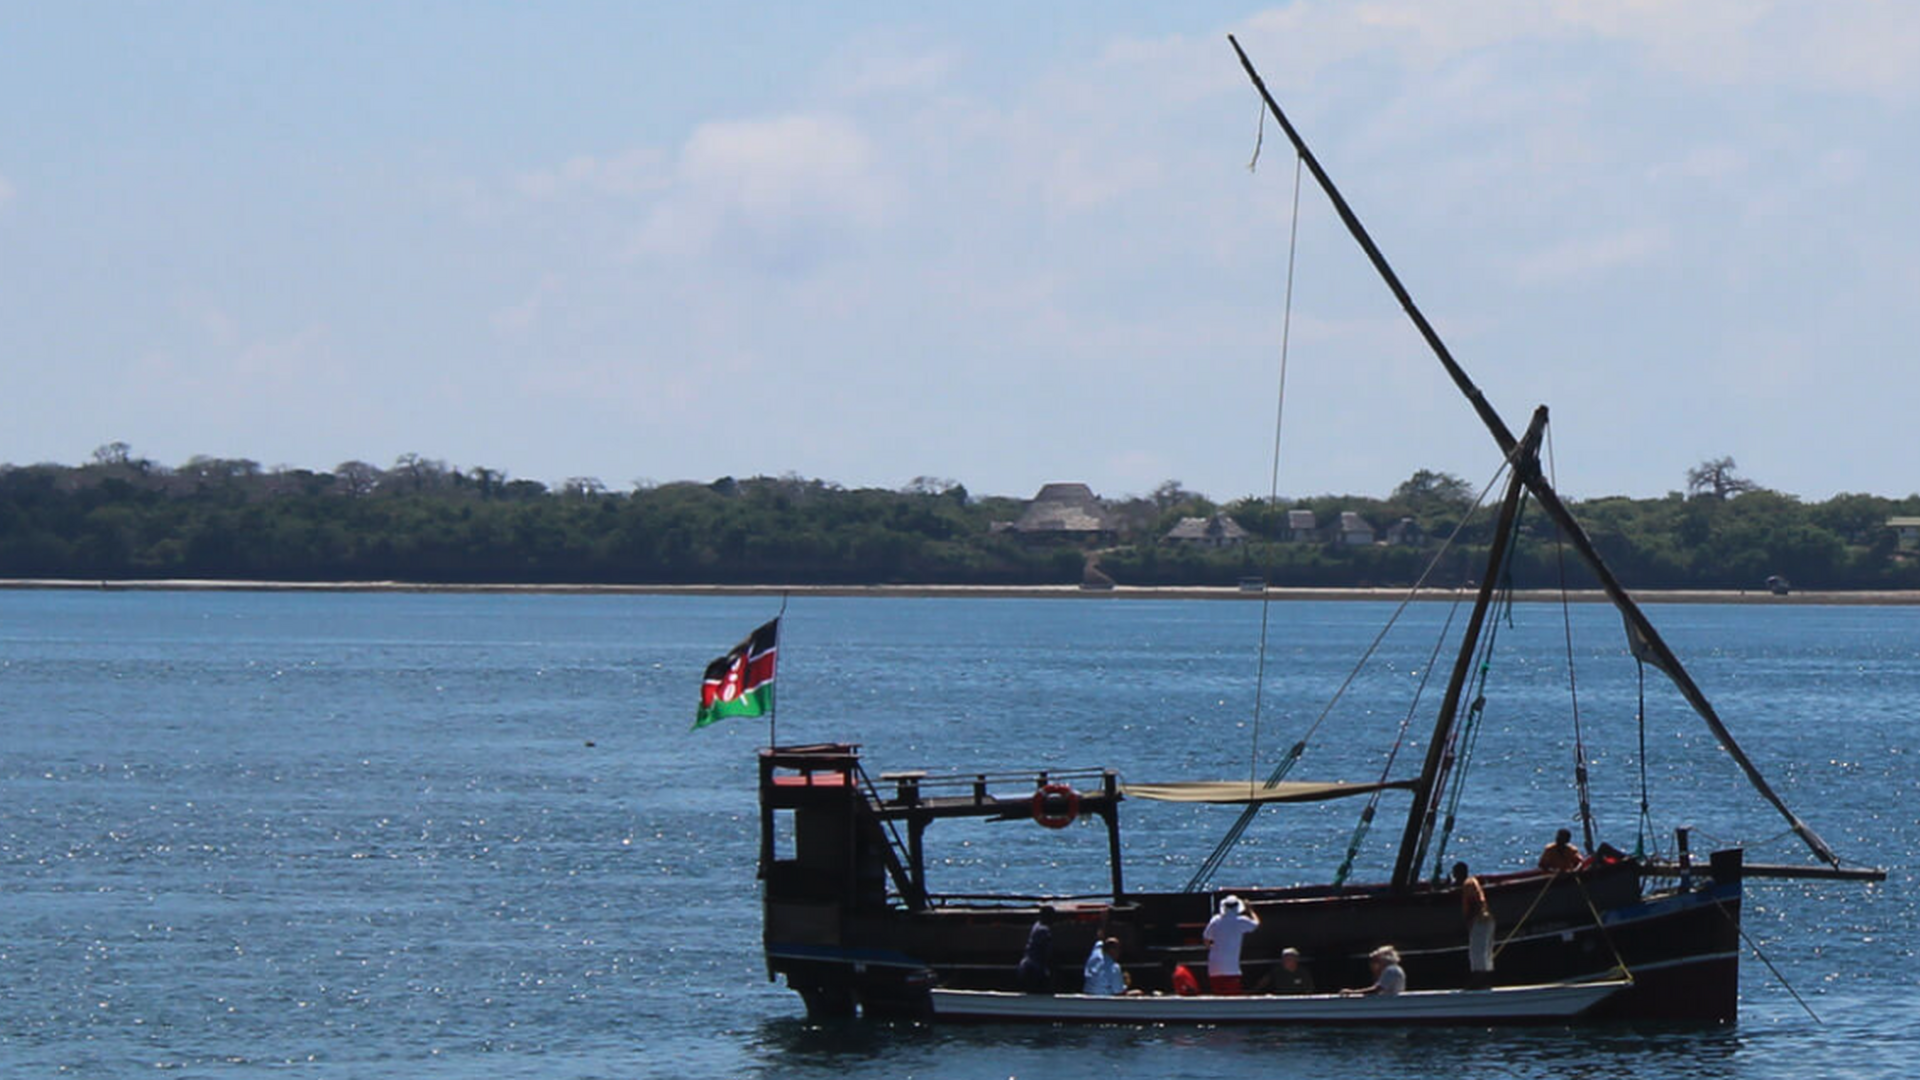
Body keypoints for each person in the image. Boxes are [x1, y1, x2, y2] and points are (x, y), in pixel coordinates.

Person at [1203, 894, 1260, 995]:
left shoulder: (1216, 920)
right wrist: (1250, 910)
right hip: (1231, 969)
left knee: (1217, 997)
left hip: (1214, 968)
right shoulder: (1240, 921)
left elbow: (1206, 939)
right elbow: (1256, 924)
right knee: (1233, 997)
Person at [1455, 861, 1495, 989]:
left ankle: (1479, 980)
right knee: (1485, 951)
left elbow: (1474, 903)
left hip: (1480, 919)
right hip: (1487, 918)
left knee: (1477, 951)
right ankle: (1485, 979)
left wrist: (1470, 920)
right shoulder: (1472, 882)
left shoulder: (1468, 884)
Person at [1017, 905, 1056, 993]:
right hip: (1034, 970)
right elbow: (1047, 953)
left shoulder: (1036, 925)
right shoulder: (1044, 931)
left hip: (1026, 966)